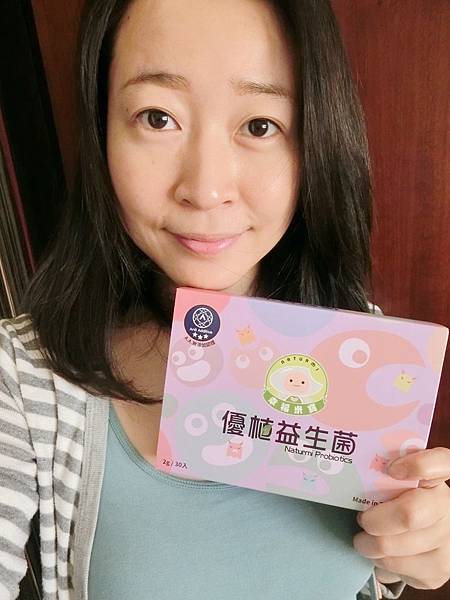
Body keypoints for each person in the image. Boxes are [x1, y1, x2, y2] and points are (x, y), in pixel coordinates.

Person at [0, 0, 449, 599]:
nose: (206, 189)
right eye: (158, 117)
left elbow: (363, 579)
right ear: (101, 128)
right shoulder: (25, 376)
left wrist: (408, 551)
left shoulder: (362, 351)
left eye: (260, 126)